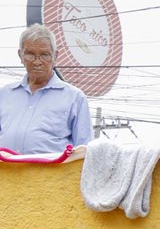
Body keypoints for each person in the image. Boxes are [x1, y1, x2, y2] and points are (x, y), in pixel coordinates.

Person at [0, 24, 93, 154]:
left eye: (44, 55)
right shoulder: (4, 94)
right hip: (6, 173)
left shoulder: (75, 98)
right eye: (30, 54)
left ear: (55, 56)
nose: (37, 62)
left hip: (52, 173)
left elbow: (84, 150)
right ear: (20, 56)